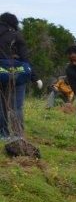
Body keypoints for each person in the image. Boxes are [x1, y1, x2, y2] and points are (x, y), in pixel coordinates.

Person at [0, 12, 31, 140]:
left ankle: (3, 134)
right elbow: (25, 57)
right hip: (15, 73)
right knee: (16, 106)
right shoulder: (16, 35)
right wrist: (34, 76)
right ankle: (18, 135)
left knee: (1, 105)